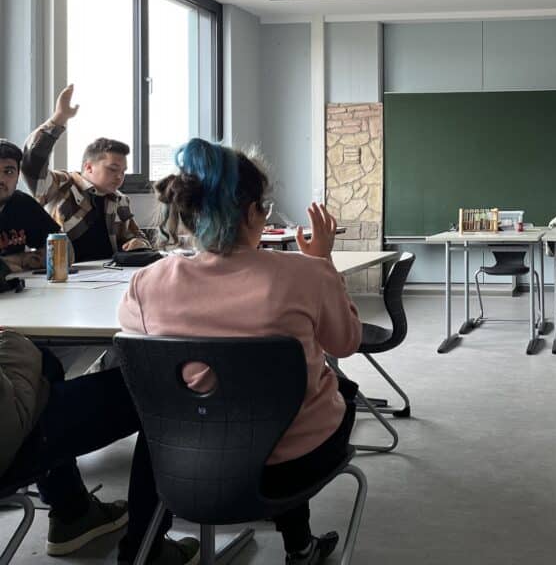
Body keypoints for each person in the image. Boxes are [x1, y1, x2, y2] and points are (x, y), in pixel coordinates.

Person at [118, 138, 363, 565]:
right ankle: (299, 547)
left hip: (187, 464)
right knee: (326, 392)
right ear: (253, 213)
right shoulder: (307, 275)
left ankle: (140, 548)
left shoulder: (147, 283)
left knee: (202, 409)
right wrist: (324, 262)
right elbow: (347, 342)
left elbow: (140, 348)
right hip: (291, 468)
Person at [0, 329, 200, 563]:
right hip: (11, 444)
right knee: (160, 391)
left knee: (45, 361)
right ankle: (147, 551)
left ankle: (72, 511)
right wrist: (14, 343)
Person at [21, 84, 150, 263]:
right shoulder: (62, 184)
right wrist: (58, 119)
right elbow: (32, 165)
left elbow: (136, 235)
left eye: (123, 171)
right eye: (113, 169)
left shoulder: (119, 199)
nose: (119, 176)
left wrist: (139, 243)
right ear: (88, 167)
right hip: (64, 270)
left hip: (109, 272)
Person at [0, 139, 63, 275]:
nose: (1, 180)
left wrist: (16, 261)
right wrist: (21, 260)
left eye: (8, 172)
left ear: (18, 176)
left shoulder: (22, 204)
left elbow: (63, 251)